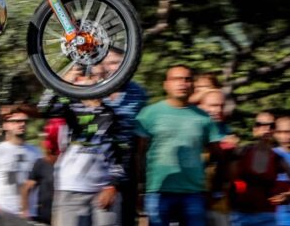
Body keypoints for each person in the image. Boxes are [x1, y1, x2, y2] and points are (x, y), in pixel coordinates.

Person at [135, 65, 224, 226]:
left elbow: (218, 156)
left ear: (192, 85)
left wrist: (213, 190)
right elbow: (138, 154)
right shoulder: (149, 114)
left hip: (194, 193)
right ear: (166, 84)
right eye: (176, 79)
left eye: (187, 79)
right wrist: (139, 188)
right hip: (158, 191)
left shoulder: (204, 118)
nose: (182, 83)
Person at [39, 67, 125, 226]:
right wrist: (63, 82)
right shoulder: (69, 107)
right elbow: (44, 108)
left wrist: (113, 185)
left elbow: (120, 155)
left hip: (103, 191)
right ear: (82, 79)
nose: (97, 80)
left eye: (102, 76)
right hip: (71, 189)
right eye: (92, 76)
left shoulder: (111, 115)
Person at [97, 49, 148, 226]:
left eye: (119, 62)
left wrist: (139, 177)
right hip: (95, 165)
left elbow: (141, 137)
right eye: (110, 63)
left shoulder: (138, 93)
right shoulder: (91, 88)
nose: (115, 67)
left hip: (126, 164)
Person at [229, 111, 290, 226]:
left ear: (275, 131)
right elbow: (227, 178)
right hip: (240, 216)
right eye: (261, 125)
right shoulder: (241, 152)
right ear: (254, 129)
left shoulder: (277, 159)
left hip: (266, 217)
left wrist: (287, 196)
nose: (266, 128)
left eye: (271, 126)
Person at [0, 105, 41, 216]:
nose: (22, 124)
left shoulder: (36, 152)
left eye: (24, 121)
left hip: (28, 213)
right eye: (16, 121)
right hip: (3, 210)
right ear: (5, 125)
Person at [198, 90, 238, 226]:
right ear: (200, 107)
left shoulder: (225, 129)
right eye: (213, 105)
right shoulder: (194, 128)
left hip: (219, 198)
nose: (218, 110)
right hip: (195, 194)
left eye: (221, 106)